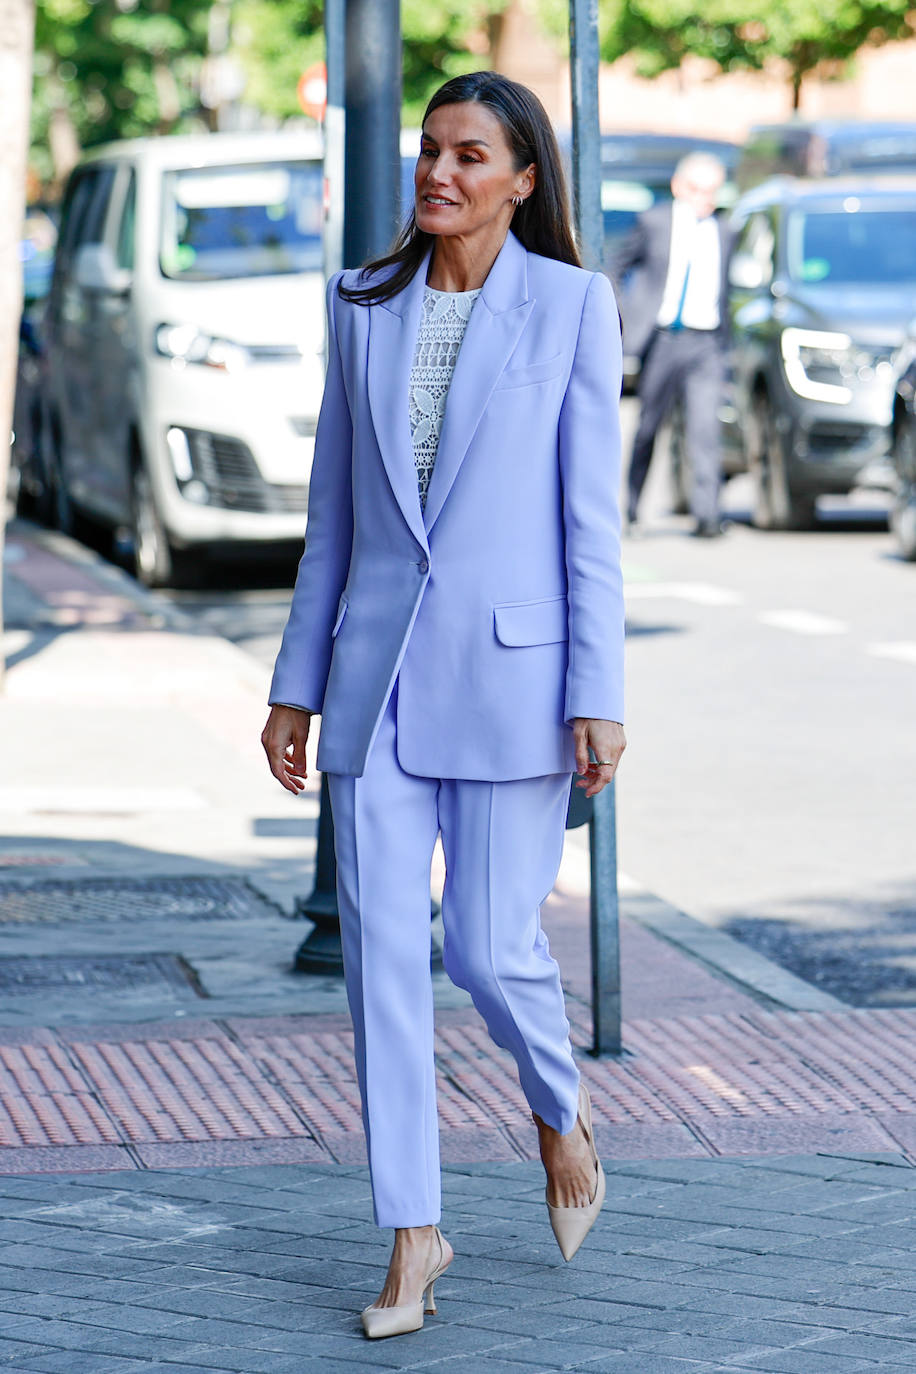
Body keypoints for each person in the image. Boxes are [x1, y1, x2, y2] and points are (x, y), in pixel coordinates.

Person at [261, 71, 626, 1340]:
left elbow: (590, 522)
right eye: (430, 149)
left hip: (517, 680)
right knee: (381, 966)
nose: (438, 172)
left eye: (471, 155)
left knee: (483, 945)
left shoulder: (569, 306)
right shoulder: (361, 304)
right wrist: (294, 684)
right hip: (373, 684)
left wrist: (599, 693)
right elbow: (334, 516)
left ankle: (558, 1110)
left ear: (523, 180)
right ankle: (413, 1234)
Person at [614, 151, 733, 537]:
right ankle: (632, 509)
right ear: (679, 187)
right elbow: (617, 265)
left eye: (712, 191)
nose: (704, 199)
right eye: (697, 189)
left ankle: (707, 516)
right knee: (649, 426)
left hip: (706, 342)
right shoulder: (655, 222)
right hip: (663, 339)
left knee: (705, 429)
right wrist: (626, 312)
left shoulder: (725, 230)